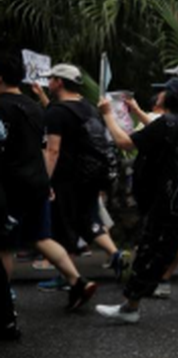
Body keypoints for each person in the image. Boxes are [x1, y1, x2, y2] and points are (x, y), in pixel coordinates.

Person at [94, 79, 178, 323]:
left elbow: (126, 142)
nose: (160, 94)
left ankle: (130, 308)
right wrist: (136, 111)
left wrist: (107, 115)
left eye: (165, 90)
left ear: (172, 97)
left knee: (150, 252)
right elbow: (155, 132)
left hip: (173, 201)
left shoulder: (168, 123)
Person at [0, 53, 98, 329]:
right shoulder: (36, 108)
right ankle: (78, 281)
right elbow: (42, 147)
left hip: (12, 186)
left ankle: (5, 303)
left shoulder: (2, 107)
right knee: (41, 236)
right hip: (38, 183)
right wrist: (46, 182)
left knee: (4, 244)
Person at [42, 64, 127, 282]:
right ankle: (116, 255)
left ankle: (66, 278)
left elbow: (53, 150)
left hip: (67, 177)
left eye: (50, 78)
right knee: (90, 219)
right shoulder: (87, 106)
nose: (48, 82)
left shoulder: (57, 111)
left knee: (61, 223)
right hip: (91, 174)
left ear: (59, 82)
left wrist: (45, 180)